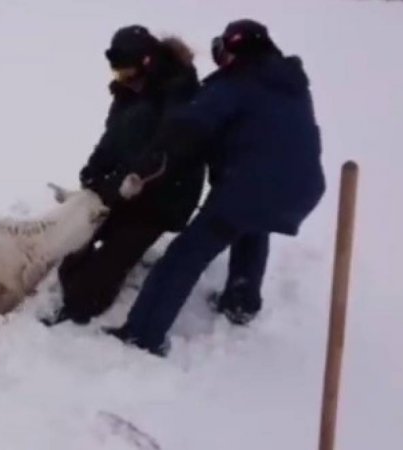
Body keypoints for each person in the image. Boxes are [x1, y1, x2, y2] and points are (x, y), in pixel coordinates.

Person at [105, 19, 326, 356]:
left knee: (184, 256)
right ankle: (241, 300)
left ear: (235, 49)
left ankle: (142, 334)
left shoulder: (236, 85)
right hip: (302, 188)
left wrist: (149, 166)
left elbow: (187, 127)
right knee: (253, 227)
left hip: (250, 188)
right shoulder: (289, 83)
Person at [49, 25, 207, 325]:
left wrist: (119, 185)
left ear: (148, 63)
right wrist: (93, 170)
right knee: (71, 260)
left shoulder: (179, 92)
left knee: (85, 295)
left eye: (127, 73)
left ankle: (88, 299)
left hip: (162, 199)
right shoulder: (129, 93)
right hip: (125, 190)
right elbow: (112, 138)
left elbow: (163, 153)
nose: (123, 81)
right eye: (118, 75)